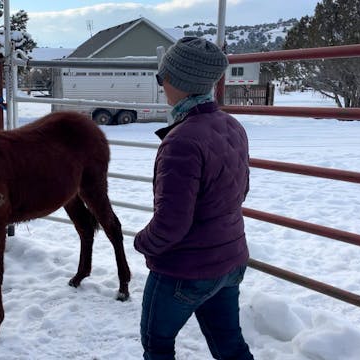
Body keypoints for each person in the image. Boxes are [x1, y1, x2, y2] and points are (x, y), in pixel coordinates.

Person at [134, 37, 254, 360]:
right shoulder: (233, 127)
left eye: (162, 78)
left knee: (157, 345)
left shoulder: (181, 142)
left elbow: (170, 225)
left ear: (177, 82)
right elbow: (240, 192)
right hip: (229, 261)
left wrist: (141, 242)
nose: (161, 85)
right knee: (230, 345)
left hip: (184, 270)